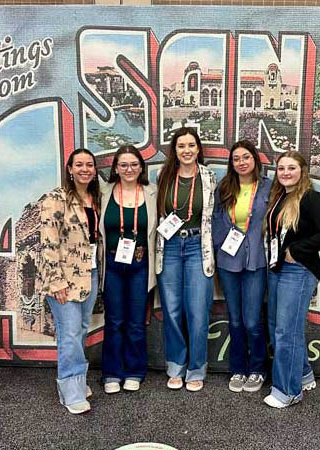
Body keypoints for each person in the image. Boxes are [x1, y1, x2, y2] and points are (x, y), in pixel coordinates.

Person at [263, 151, 320, 408]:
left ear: (302, 170)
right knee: (280, 327)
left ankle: (288, 390)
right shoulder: (281, 198)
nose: (285, 172)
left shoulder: (312, 198)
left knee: (286, 331)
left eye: (291, 168)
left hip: (299, 271)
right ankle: (304, 375)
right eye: (281, 168)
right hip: (277, 269)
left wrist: (298, 250)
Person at [39, 148, 102, 414]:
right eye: (79, 164)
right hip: (64, 279)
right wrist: (56, 282)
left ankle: (77, 379)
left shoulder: (94, 198)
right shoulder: (56, 198)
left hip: (91, 273)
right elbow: (48, 243)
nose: (85, 169)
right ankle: (71, 391)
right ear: (70, 169)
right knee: (69, 334)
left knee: (81, 330)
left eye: (89, 164)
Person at [155, 127, 217, 392]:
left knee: (198, 311)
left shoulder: (209, 177)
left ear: (199, 148)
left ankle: (196, 368)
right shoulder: (163, 175)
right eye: (181, 146)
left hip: (196, 247)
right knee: (171, 310)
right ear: (175, 150)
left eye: (191, 145)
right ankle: (176, 366)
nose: (187, 150)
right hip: (168, 246)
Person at [212, 140, 271, 393]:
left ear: (255, 160)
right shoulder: (224, 187)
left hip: (256, 261)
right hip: (229, 261)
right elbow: (215, 221)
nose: (241, 163)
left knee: (252, 320)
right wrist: (218, 249)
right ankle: (237, 368)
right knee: (234, 319)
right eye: (236, 159)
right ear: (231, 163)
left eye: (246, 157)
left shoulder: (270, 186)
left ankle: (257, 369)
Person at [98, 145, 157, 394]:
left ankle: (134, 370)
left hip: (140, 264)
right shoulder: (103, 191)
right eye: (123, 165)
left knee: (135, 321)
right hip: (111, 263)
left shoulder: (152, 192)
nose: (129, 169)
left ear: (141, 167)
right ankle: (112, 372)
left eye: (134, 164)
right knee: (113, 321)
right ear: (115, 168)